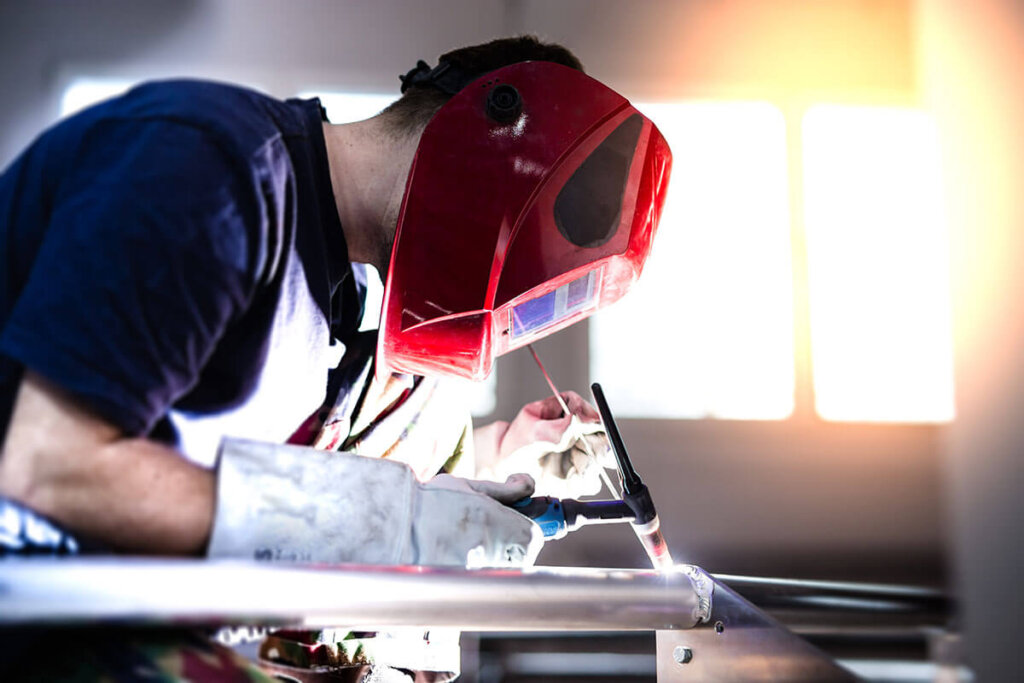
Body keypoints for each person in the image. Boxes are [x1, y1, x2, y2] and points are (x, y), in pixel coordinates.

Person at [0, 35, 671, 679]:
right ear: (482, 152)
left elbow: (305, 473)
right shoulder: (208, 174)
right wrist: (382, 529)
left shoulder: (340, 290)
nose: (503, 305)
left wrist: (498, 453)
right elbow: (49, 469)